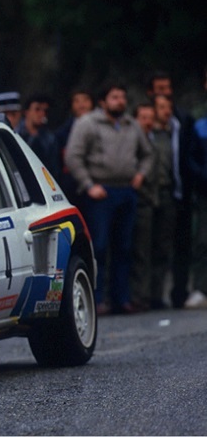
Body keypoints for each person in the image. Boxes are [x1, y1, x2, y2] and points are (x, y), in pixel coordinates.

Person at [65, 83, 154, 315]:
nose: (120, 101)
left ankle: (121, 298)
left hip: (126, 191)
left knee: (124, 247)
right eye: (115, 97)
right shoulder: (88, 123)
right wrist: (88, 184)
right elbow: (74, 156)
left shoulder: (131, 124)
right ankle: (97, 298)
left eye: (123, 97)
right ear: (103, 101)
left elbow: (147, 154)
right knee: (100, 246)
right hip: (100, 192)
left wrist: (140, 175)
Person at [145, 71, 194, 309]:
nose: (164, 95)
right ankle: (149, 295)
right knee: (151, 246)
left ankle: (176, 293)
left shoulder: (182, 122)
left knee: (175, 245)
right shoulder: (144, 130)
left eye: (167, 90)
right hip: (151, 193)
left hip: (177, 192)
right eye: (159, 90)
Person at [129, 103, 161, 311]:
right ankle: (133, 296)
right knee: (132, 250)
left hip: (153, 199)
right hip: (135, 198)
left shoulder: (158, 140)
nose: (147, 122)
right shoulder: (130, 140)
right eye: (143, 117)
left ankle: (147, 295)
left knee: (149, 250)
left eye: (151, 117)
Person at [185, 67, 207, 309]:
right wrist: (202, 177)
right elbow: (189, 157)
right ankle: (202, 288)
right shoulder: (198, 119)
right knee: (202, 241)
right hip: (205, 191)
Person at [55, 90, 95, 207]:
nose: (81, 105)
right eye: (77, 101)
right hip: (71, 187)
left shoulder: (103, 129)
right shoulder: (61, 134)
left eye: (85, 100)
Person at [16, 94, 60, 179]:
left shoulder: (50, 139)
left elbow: (54, 169)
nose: (42, 114)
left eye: (45, 111)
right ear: (27, 112)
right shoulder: (15, 134)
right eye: (37, 109)